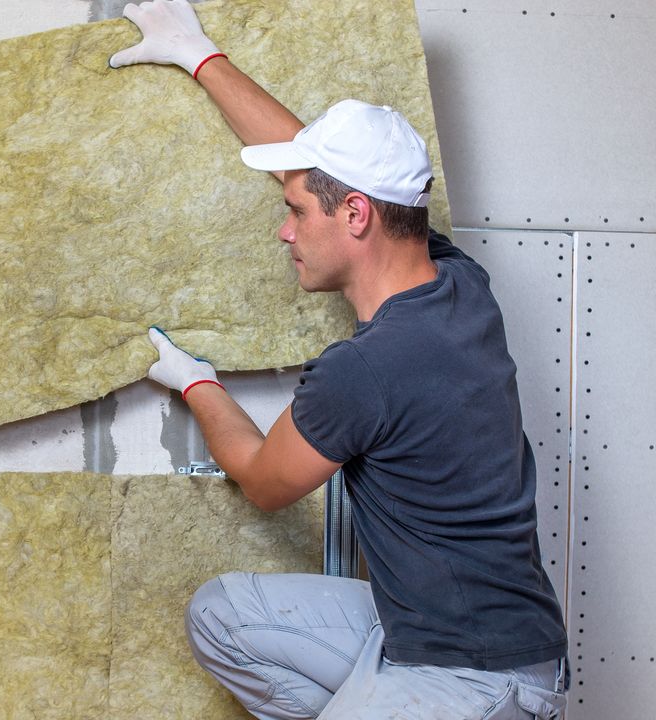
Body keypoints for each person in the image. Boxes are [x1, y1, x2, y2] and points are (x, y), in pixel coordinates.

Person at [109, 2, 570, 718]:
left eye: (297, 212)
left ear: (356, 216)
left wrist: (196, 383)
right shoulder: (458, 285)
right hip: (436, 631)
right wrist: (200, 57)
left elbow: (265, 481)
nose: (284, 230)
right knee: (224, 616)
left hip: (475, 679)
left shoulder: (367, 369)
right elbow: (314, 165)